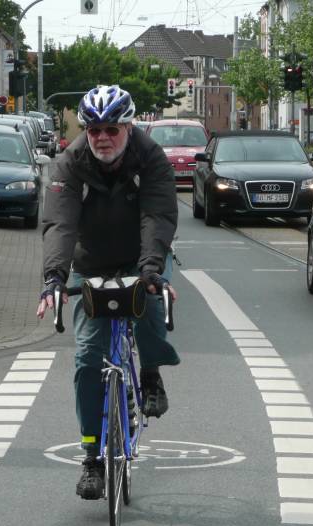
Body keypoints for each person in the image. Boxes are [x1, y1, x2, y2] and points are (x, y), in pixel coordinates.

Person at [36, 85, 180, 500]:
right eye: (93, 129)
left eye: (111, 129)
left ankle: (150, 374)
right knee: (86, 359)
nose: (102, 137)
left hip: (141, 256)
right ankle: (93, 460)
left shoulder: (150, 158)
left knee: (149, 302)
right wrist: (54, 279)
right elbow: (60, 224)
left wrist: (152, 270)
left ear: (128, 127)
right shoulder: (69, 164)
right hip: (92, 261)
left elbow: (158, 214)